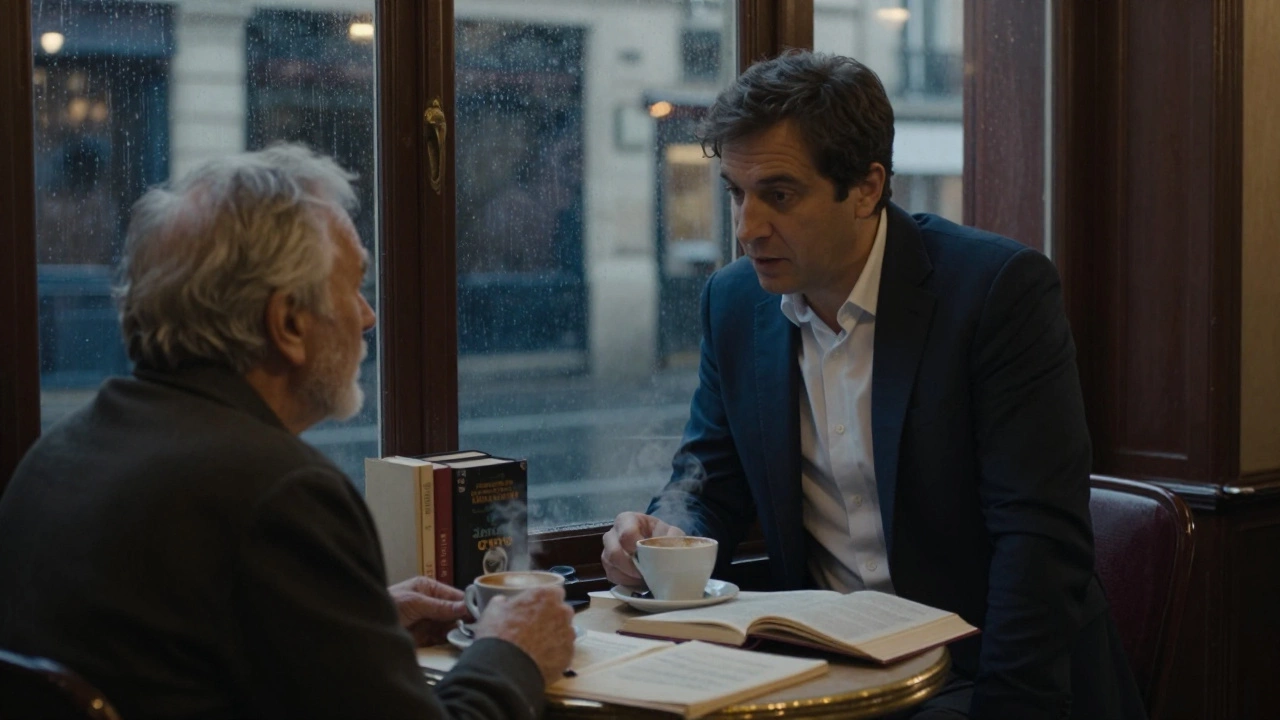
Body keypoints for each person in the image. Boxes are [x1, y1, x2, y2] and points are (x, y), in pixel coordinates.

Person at [602, 51, 1146, 720]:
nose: (746, 230)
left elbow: (1038, 543)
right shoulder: (735, 304)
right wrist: (662, 537)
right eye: (737, 194)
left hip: (987, 672)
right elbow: (711, 478)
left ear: (866, 188)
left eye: (779, 194)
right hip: (831, 673)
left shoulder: (995, 293)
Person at [0, 144, 576, 719]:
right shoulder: (278, 494)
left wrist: (354, 617)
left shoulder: (54, 458)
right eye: (354, 287)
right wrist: (510, 653)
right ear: (288, 324)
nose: (368, 315)